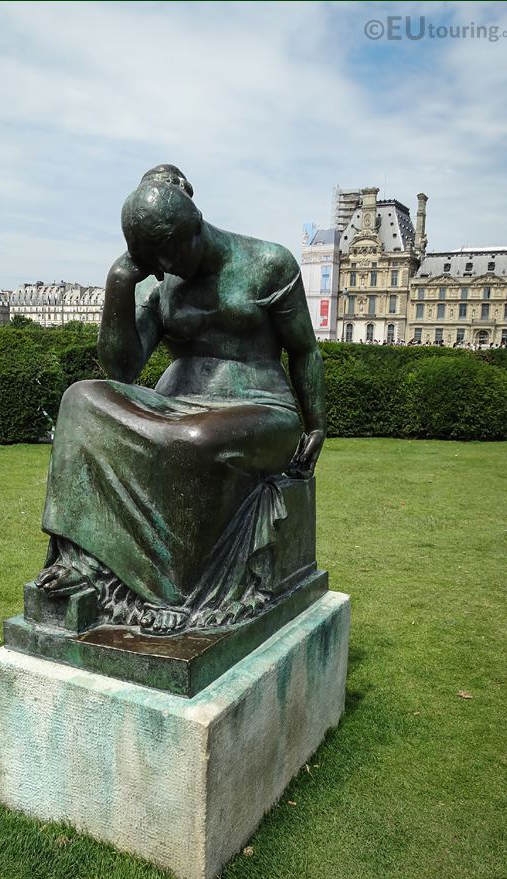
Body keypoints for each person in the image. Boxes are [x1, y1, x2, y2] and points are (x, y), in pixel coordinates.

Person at [36, 165, 325, 634]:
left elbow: (305, 350)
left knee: (192, 439)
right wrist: (120, 281)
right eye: (156, 260)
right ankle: (88, 563)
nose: (168, 266)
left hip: (261, 408)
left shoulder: (268, 262)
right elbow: (121, 371)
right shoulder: (159, 281)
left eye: (173, 252)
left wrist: (315, 425)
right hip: (175, 408)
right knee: (80, 399)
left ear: (195, 225)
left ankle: (166, 590)